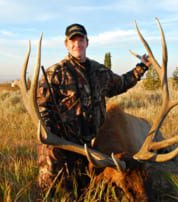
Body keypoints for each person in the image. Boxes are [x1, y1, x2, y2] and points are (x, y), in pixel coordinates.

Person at [36, 23, 150, 189]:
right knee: (52, 175)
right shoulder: (55, 73)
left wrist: (142, 68)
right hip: (66, 144)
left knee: (102, 184)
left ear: (87, 42)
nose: (77, 44)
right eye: (72, 41)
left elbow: (122, 83)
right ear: (66, 44)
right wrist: (51, 133)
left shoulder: (99, 71)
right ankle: (46, 193)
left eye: (80, 40)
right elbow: (42, 109)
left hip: (96, 145)